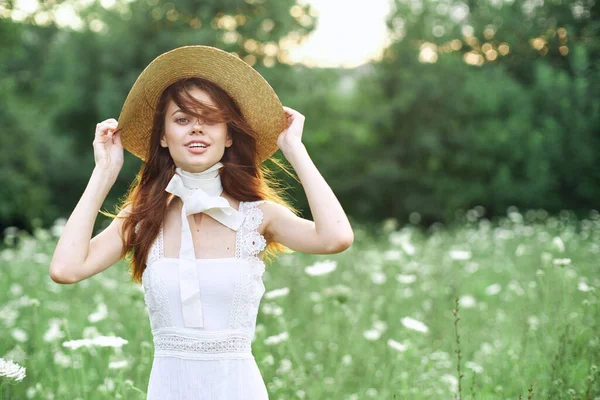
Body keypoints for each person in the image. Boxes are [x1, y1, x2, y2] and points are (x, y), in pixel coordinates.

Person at [49, 45, 354, 399]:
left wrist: (294, 149)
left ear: (228, 135)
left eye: (210, 119)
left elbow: (336, 237)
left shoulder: (257, 214)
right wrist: (105, 172)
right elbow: (65, 269)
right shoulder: (142, 217)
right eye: (182, 119)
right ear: (163, 136)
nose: (197, 129)